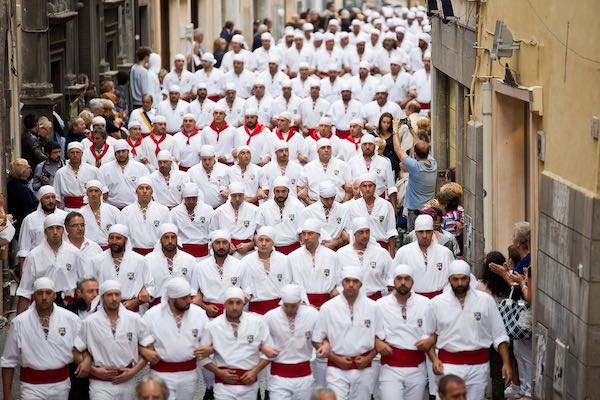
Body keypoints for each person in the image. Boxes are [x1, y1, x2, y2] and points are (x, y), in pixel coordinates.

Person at [429, 260, 512, 400]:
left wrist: (506, 363)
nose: (460, 283)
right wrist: (434, 359)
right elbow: (428, 336)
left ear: (469, 278)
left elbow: (499, 335)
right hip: (448, 366)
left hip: (479, 367)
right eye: (455, 279)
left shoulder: (485, 301)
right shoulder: (436, 303)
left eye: (463, 279)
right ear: (449, 279)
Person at [1, 277, 86, 400]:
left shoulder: (71, 319)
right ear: (34, 296)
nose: (44, 297)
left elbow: (84, 345)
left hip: (61, 385)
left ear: (54, 295)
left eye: (48, 292)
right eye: (40, 293)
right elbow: (8, 360)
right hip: (31, 387)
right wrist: (7, 394)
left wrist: (87, 361)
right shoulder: (19, 322)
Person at [312, 266, 381, 400]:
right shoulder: (328, 308)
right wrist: (335, 358)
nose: (350, 285)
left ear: (361, 284)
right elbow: (316, 339)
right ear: (342, 283)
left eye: (355, 281)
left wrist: (368, 358)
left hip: (364, 368)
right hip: (336, 369)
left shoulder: (373, 307)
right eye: (347, 281)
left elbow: (380, 338)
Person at [198, 287, 276, 400]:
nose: (234, 307)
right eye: (230, 303)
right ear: (224, 304)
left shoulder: (256, 323)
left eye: (238, 303)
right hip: (223, 388)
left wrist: (255, 371)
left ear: (243, 303)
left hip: (250, 387)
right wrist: (218, 372)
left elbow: (270, 351)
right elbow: (202, 357)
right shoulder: (213, 326)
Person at [74, 280, 148, 399]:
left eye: (117, 294)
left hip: (127, 382)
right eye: (109, 295)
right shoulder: (90, 322)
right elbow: (77, 349)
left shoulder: (134, 319)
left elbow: (148, 348)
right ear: (102, 298)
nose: (114, 298)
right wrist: (93, 370)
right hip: (100, 385)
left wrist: (134, 371)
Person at [139, 278, 209, 399]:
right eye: (183, 298)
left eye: (189, 297)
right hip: (160, 374)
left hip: (189, 374)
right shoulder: (152, 315)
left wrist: (208, 349)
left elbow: (210, 339)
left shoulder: (199, 314)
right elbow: (136, 336)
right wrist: (143, 350)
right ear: (171, 299)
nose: (188, 301)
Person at [375, 264, 435, 400]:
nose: (403, 282)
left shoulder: (425, 304)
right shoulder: (380, 305)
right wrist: (377, 342)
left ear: (413, 281)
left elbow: (432, 332)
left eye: (407, 279)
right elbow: (371, 333)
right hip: (390, 367)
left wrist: (433, 356)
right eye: (399, 279)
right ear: (393, 281)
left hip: (417, 367)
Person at [16, 213, 83, 314]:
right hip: (41, 306)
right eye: (51, 228)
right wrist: (19, 321)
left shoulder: (74, 253)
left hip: (68, 306)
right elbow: (25, 290)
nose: (55, 232)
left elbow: (83, 282)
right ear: (45, 231)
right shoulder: (34, 255)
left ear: (63, 230)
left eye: (58, 228)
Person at [264, 284, 319, 400]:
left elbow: (322, 337)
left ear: (300, 301)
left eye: (293, 306)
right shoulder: (270, 317)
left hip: (305, 375)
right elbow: (259, 340)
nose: (289, 309)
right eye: (286, 306)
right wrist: (264, 347)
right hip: (278, 377)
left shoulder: (313, 315)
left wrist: (324, 345)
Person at [476, 251, 511, 400]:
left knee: (481, 369)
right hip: (502, 333)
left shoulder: (480, 286)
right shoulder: (507, 286)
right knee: (498, 374)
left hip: (483, 332)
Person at [394, 214, 454, 298]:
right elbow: (394, 278)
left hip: (439, 300)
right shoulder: (403, 252)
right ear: (415, 232)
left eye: (428, 232)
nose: (424, 236)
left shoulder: (445, 253)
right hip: (413, 300)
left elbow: (452, 278)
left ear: (433, 232)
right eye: (421, 232)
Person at [191, 230, 246, 318]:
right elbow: (193, 294)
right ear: (212, 245)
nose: (221, 246)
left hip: (234, 315)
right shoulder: (200, 267)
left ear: (230, 244)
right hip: (207, 317)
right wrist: (205, 307)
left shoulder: (240, 265)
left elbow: (247, 291)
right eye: (217, 243)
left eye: (224, 243)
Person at [288, 218, 340, 311]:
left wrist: (337, 290)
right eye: (304, 234)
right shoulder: (292, 257)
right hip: (302, 305)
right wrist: (303, 304)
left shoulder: (332, 256)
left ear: (318, 235)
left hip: (328, 304)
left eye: (310, 233)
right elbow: (288, 283)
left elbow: (340, 280)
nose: (306, 237)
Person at [337, 218, 392, 301]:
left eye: (367, 232)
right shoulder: (341, 254)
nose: (365, 235)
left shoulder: (381, 253)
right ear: (354, 234)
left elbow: (391, 277)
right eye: (361, 232)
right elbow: (336, 279)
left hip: (376, 299)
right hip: (349, 299)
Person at [144, 224, 197, 307]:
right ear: (160, 240)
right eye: (166, 237)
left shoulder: (190, 259)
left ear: (177, 239)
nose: (170, 241)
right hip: (157, 307)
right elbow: (146, 287)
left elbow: (194, 287)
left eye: (173, 237)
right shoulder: (148, 259)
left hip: (183, 306)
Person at [242, 227, 291, 314]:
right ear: (256, 242)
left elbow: (288, 283)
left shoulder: (284, 259)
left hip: (279, 310)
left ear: (273, 242)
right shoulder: (246, 261)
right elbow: (245, 286)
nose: (263, 243)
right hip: (255, 311)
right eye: (261, 240)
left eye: (267, 240)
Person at [346, 174, 398, 256]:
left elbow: (391, 231)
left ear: (375, 187)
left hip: (381, 247)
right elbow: (349, 230)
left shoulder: (386, 205)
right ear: (360, 188)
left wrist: (391, 255)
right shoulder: (352, 206)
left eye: (370, 186)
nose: (367, 189)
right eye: (364, 186)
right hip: (360, 248)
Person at [119, 176, 171, 255]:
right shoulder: (126, 211)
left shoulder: (163, 210)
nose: (144, 191)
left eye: (147, 188)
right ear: (136, 191)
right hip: (133, 254)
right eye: (141, 188)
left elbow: (166, 234)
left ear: (152, 191)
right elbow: (123, 235)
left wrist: (156, 253)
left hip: (157, 254)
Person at [347, 134, 397, 209]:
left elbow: (391, 187)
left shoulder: (384, 162)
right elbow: (349, 185)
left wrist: (393, 208)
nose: (367, 147)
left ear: (374, 146)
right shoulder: (352, 161)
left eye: (370, 144)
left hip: (379, 202)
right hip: (357, 203)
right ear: (361, 146)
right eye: (365, 144)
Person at [397, 140, 438, 231]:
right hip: (429, 209)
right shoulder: (433, 163)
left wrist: (395, 130)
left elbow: (398, 150)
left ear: (415, 154)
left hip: (414, 211)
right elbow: (420, 144)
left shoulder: (415, 166)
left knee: (414, 234)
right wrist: (411, 129)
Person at [211, 182, 259, 258]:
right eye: (234, 196)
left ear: (244, 195)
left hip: (249, 253)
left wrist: (251, 244)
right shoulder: (220, 211)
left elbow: (261, 233)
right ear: (230, 195)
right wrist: (225, 246)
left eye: (240, 195)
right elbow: (213, 232)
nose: (237, 199)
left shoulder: (254, 210)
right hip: (226, 253)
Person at [257, 176, 304, 254]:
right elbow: (260, 230)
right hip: (272, 250)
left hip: (294, 248)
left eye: (283, 191)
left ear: (288, 191)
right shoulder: (264, 207)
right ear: (273, 191)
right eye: (277, 191)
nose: (280, 194)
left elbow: (303, 226)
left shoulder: (298, 205)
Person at [300, 181, 350, 250]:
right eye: (326, 199)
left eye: (332, 198)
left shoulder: (344, 210)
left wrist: (335, 243)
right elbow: (302, 235)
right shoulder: (308, 211)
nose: (329, 202)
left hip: (339, 249)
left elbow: (347, 234)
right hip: (315, 250)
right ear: (320, 196)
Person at [17, 185, 68, 254]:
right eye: (47, 198)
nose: (51, 201)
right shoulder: (30, 219)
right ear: (40, 200)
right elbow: (23, 249)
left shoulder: (65, 216)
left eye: (53, 197)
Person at [170, 183, 215, 260]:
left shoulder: (208, 210)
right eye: (188, 198)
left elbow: (213, 230)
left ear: (198, 197)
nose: (191, 201)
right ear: (183, 198)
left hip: (203, 254)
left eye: (194, 198)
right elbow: (172, 231)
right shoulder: (175, 212)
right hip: (183, 254)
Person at [100, 139, 149, 209]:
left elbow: (147, 187)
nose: (121, 154)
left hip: (134, 208)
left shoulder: (140, 168)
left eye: (123, 151)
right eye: (118, 152)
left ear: (128, 152)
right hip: (112, 208)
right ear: (114, 153)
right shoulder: (104, 169)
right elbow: (102, 191)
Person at [53, 142, 102, 210]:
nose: (75, 155)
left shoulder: (93, 170)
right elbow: (57, 197)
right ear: (68, 154)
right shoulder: (60, 173)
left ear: (82, 153)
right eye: (72, 152)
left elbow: (102, 191)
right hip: (68, 210)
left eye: (77, 152)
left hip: (89, 208)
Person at [186, 144, 231, 209]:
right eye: (204, 159)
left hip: (221, 207)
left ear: (214, 157)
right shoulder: (192, 171)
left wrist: (228, 192)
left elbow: (232, 188)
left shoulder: (225, 169)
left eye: (210, 159)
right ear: (200, 158)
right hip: (200, 208)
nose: (207, 162)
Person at [7, 158, 37, 231]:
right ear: (23, 171)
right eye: (28, 167)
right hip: (23, 225)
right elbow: (28, 209)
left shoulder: (13, 184)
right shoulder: (22, 189)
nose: (30, 169)